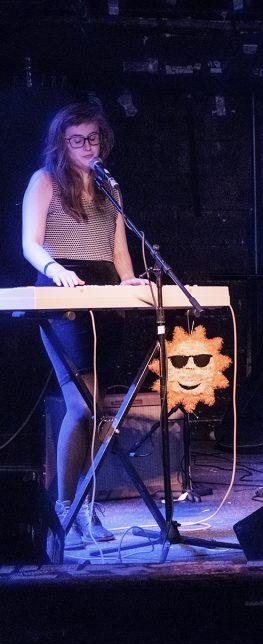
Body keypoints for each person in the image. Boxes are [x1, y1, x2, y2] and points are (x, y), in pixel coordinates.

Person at [21, 102, 147, 549]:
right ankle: (65, 508)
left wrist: (129, 280)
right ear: (62, 143)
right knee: (83, 407)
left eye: (93, 139)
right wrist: (55, 269)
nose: (87, 147)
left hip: (103, 291)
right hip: (62, 293)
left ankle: (84, 508)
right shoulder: (45, 181)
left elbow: (117, 248)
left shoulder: (109, 186)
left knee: (98, 411)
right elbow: (30, 244)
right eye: (77, 140)